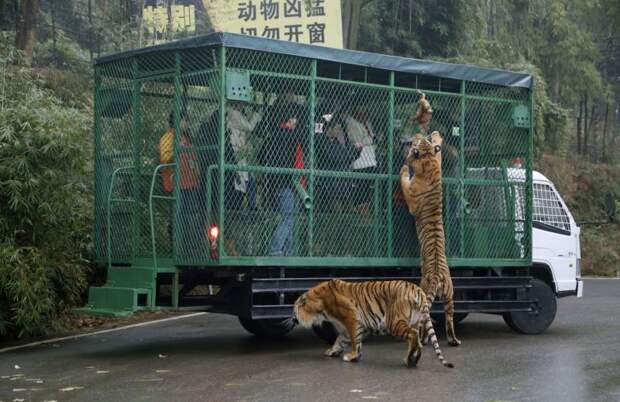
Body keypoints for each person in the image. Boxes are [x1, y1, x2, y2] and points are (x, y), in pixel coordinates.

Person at [259, 103, 305, 256]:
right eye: (294, 120)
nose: (295, 123)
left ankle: (289, 251)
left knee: (289, 218)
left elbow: (261, 156)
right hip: (288, 183)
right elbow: (298, 163)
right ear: (290, 120)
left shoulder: (272, 136)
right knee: (289, 218)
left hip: (273, 183)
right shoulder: (292, 137)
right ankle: (276, 249)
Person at [315, 112, 360, 255]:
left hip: (343, 186)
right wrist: (354, 150)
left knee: (347, 217)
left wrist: (357, 150)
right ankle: (328, 250)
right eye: (336, 128)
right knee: (336, 216)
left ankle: (346, 250)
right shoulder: (322, 141)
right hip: (331, 187)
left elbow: (347, 157)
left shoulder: (337, 143)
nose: (338, 131)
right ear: (329, 129)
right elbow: (336, 157)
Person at [159, 111, 202, 255]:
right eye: (185, 120)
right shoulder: (168, 137)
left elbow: (193, 159)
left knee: (189, 217)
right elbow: (164, 158)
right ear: (178, 121)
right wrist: (176, 151)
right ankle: (175, 249)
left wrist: (197, 175)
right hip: (176, 185)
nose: (187, 123)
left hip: (190, 185)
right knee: (176, 216)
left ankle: (188, 249)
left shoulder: (185, 138)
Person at [226, 100, 262, 209]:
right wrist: (256, 112)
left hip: (241, 154)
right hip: (236, 153)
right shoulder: (233, 113)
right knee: (242, 182)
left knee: (249, 182)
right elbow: (249, 126)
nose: (242, 106)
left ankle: (252, 206)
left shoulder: (238, 114)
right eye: (241, 103)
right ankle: (249, 207)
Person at [345, 103, 377, 211]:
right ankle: (360, 209)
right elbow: (356, 140)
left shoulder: (366, 122)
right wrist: (369, 140)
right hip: (361, 159)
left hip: (371, 157)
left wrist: (368, 140)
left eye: (364, 109)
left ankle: (366, 208)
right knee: (361, 186)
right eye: (361, 109)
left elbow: (370, 137)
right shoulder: (351, 122)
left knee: (369, 186)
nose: (363, 111)